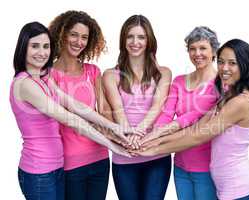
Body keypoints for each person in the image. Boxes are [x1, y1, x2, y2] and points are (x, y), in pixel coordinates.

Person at [134, 39, 249, 200]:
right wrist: (152, 140)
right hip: (225, 187)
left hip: (238, 189)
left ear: (245, 65)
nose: (224, 68)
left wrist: (151, 150)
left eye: (232, 63)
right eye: (221, 62)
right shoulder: (228, 96)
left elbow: (197, 137)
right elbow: (194, 129)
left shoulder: (240, 102)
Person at [10, 22, 128, 200]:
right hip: (39, 173)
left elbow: (77, 107)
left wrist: (115, 127)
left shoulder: (42, 79)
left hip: (56, 167)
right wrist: (112, 146)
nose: (42, 53)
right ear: (23, 48)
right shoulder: (24, 84)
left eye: (46, 46)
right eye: (34, 46)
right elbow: (69, 118)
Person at [48, 10, 139, 200]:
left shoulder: (92, 72)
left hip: (99, 157)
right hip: (70, 161)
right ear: (62, 34)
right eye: (73, 35)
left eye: (84, 37)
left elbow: (104, 112)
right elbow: (65, 117)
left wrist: (121, 137)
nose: (78, 42)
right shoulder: (49, 75)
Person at [140, 26, 220, 200]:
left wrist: (158, 138)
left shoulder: (221, 85)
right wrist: (153, 134)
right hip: (181, 166)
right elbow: (166, 114)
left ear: (214, 51)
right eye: (192, 49)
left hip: (206, 168)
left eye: (202, 48)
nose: (197, 53)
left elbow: (196, 119)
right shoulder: (179, 81)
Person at [102, 14, 172, 200]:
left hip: (156, 156)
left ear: (149, 41)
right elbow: (118, 111)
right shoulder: (110, 75)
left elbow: (157, 106)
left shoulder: (163, 73)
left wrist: (138, 134)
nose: (135, 42)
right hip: (125, 155)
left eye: (141, 37)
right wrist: (130, 137)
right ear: (123, 40)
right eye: (130, 36)